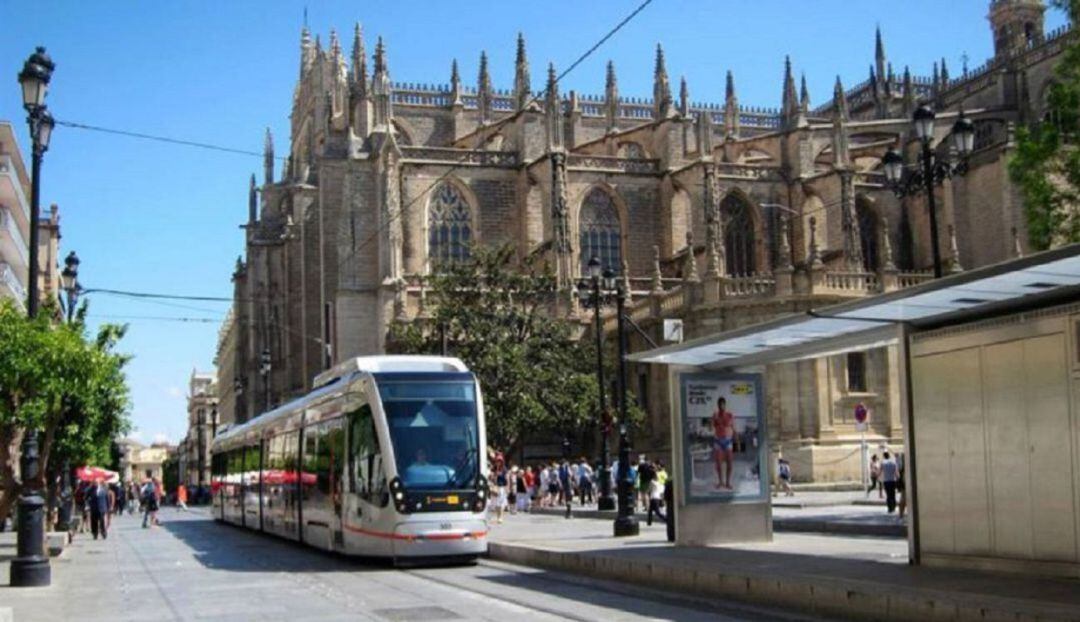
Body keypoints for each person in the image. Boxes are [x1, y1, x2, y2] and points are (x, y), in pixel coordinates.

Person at [712, 397, 736, 490]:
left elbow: (733, 428)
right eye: (720, 404)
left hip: (728, 440)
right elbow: (712, 427)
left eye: (723, 404)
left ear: (725, 405)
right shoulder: (715, 415)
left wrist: (736, 440)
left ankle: (727, 482)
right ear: (718, 405)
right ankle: (720, 482)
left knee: (730, 463)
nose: (721, 406)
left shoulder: (730, 415)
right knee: (718, 464)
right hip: (718, 441)